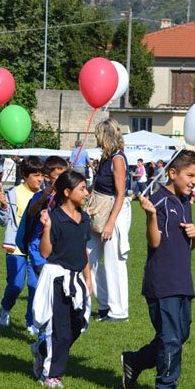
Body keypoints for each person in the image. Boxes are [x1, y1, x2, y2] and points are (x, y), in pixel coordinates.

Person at [121, 150, 195, 389]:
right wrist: (151, 216)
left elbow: (188, 245)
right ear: (172, 172)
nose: (193, 181)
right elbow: (154, 241)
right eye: (190, 175)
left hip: (182, 281)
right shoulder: (156, 201)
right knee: (170, 338)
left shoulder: (185, 201)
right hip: (162, 281)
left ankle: (134, 361)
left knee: (180, 335)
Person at [31, 170, 93, 389]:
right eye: (82, 189)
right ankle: (51, 374)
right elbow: (46, 252)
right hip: (57, 278)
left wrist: (88, 280)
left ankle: (42, 350)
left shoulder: (85, 219)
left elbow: (83, 251)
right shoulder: (54, 217)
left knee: (79, 324)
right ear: (67, 192)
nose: (86, 193)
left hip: (77, 280)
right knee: (60, 330)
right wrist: (46, 228)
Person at [87, 118, 131, 322]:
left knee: (115, 262)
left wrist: (111, 223)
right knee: (89, 256)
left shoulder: (118, 160)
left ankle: (119, 311)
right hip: (100, 211)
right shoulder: (106, 158)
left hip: (115, 212)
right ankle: (104, 304)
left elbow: (121, 193)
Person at [0, 156, 44, 334]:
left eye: (42, 175)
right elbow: (2, 221)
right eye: (36, 175)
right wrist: (3, 207)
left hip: (37, 248)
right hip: (16, 247)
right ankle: (6, 308)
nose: (40, 179)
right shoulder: (12, 193)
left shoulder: (44, 194)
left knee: (35, 286)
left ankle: (31, 322)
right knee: (16, 285)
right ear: (24, 175)